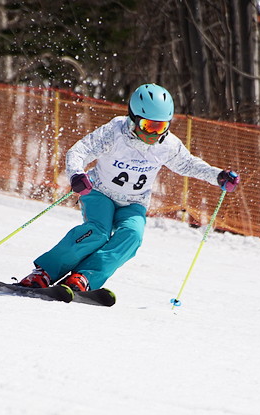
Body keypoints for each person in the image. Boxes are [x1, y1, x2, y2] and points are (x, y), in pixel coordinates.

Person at [17, 83, 240, 292]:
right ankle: (44, 272)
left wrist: (218, 176)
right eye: (148, 126)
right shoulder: (116, 132)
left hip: (134, 201)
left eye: (160, 127)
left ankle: (84, 277)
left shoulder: (167, 145)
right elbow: (79, 151)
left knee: (132, 236)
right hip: (100, 192)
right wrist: (77, 174)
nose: (154, 134)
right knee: (98, 231)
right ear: (133, 119)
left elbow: (189, 164)